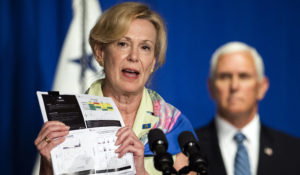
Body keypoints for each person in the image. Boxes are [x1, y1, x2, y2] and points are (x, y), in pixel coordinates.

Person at [34, 2, 195, 175]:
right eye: (123, 44)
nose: (134, 56)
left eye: (145, 47)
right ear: (100, 52)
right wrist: (48, 166)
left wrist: (139, 171)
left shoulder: (174, 125)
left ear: (153, 62)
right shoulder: (68, 121)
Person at [195, 41, 300, 175]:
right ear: (210, 87)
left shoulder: (293, 152)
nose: (234, 86)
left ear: (262, 87)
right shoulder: (186, 151)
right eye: (225, 76)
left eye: (244, 76)